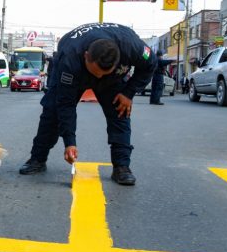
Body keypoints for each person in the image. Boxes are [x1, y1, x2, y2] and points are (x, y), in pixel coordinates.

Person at [19, 23, 156, 186]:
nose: (98, 78)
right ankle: (37, 158)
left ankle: (122, 167)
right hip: (75, 75)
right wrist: (70, 142)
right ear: (86, 56)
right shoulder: (69, 58)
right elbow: (65, 104)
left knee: (120, 111)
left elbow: (151, 65)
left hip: (112, 81)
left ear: (118, 61)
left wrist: (129, 93)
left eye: (102, 74)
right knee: (53, 111)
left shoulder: (131, 46)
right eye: (95, 72)